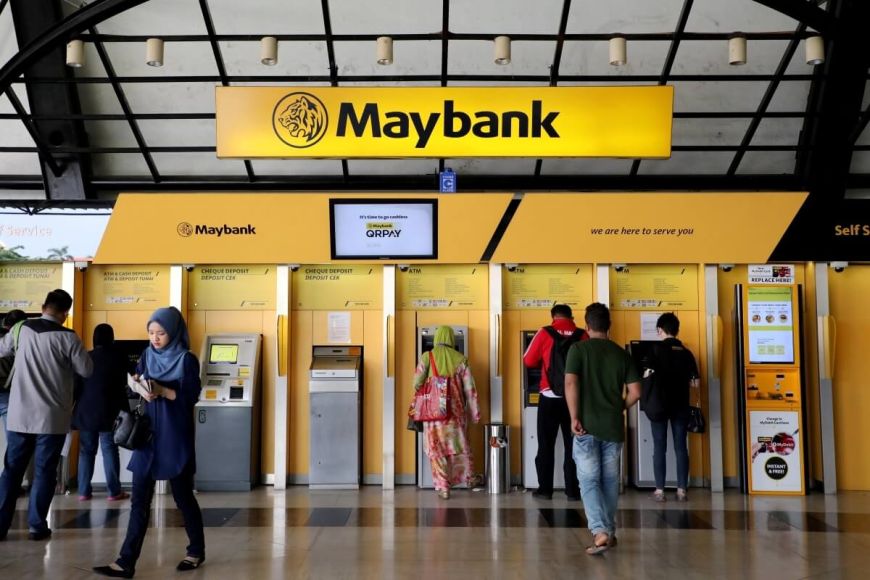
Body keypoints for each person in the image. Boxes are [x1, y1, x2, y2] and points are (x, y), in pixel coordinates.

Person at [95, 307, 204, 577]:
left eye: (161, 333)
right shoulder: (146, 355)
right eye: (151, 332)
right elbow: (139, 381)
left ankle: (196, 551)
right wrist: (137, 384)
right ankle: (125, 561)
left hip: (175, 435)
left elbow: (190, 397)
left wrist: (164, 390)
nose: (155, 338)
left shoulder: (187, 360)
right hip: (148, 436)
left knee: (183, 497)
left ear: (174, 332)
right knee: (139, 502)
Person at [0, 290, 93, 542]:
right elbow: (86, 370)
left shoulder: (21, 329)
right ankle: (37, 526)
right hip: (51, 419)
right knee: (44, 472)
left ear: (43, 307)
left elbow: (1, 350)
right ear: (65, 313)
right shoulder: (69, 337)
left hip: (19, 416)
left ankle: (1, 525)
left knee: (11, 471)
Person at [564, 303, 641, 555]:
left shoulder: (578, 350)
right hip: (612, 427)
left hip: (585, 427)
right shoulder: (621, 354)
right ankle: (609, 531)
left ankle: (599, 531)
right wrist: (619, 407)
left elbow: (570, 383)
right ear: (609, 326)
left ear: (587, 326)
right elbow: (636, 392)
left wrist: (574, 416)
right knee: (609, 481)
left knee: (588, 481)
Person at [522, 304, 586, 500]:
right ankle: (573, 491)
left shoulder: (545, 332)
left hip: (549, 397)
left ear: (553, 317)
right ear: (571, 317)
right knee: (573, 446)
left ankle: (545, 490)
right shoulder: (582, 335)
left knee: (546, 445)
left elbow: (528, 360)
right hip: (574, 399)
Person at [412, 325, 481, 499]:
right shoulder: (461, 359)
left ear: (436, 338)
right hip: (454, 415)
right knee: (458, 446)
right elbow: (470, 389)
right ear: (451, 339)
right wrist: (475, 413)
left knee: (437, 450)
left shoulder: (427, 357)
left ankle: (443, 488)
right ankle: (469, 477)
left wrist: (431, 384)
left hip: (433, 415)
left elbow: (416, 383)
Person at [73, 323, 130, 502]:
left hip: (86, 412)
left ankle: (83, 491)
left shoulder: (86, 357)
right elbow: (132, 377)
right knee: (109, 449)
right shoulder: (118, 357)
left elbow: (76, 385)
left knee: (86, 451)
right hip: (109, 412)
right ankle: (114, 492)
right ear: (112, 339)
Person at [646, 312, 700, 503]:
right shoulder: (686, 353)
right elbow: (695, 383)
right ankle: (681, 490)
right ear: (677, 330)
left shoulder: (655, 350)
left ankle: (659, 491)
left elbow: (646, 375)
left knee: (659, 446)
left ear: (660, 330)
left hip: (659, 405)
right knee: (681, 447)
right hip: (681, 405)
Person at [0, 309, 28, 433]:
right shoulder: (21, 339)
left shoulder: (11, 338)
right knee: (12, 433)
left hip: (6, 391)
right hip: (8, 392)